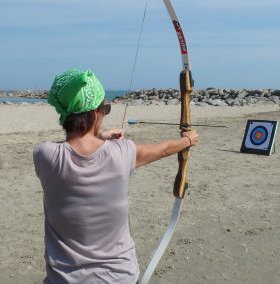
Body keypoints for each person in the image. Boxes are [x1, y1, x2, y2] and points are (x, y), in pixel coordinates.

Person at [33, 68, 198, 283]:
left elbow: (71, 148)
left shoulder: (44, 155)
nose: (105, 113)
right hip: (119, 277)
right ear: (95, 113)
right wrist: (188, 140)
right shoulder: (122, 151)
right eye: (105, 108)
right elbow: (164, 149)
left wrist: (97, 136)